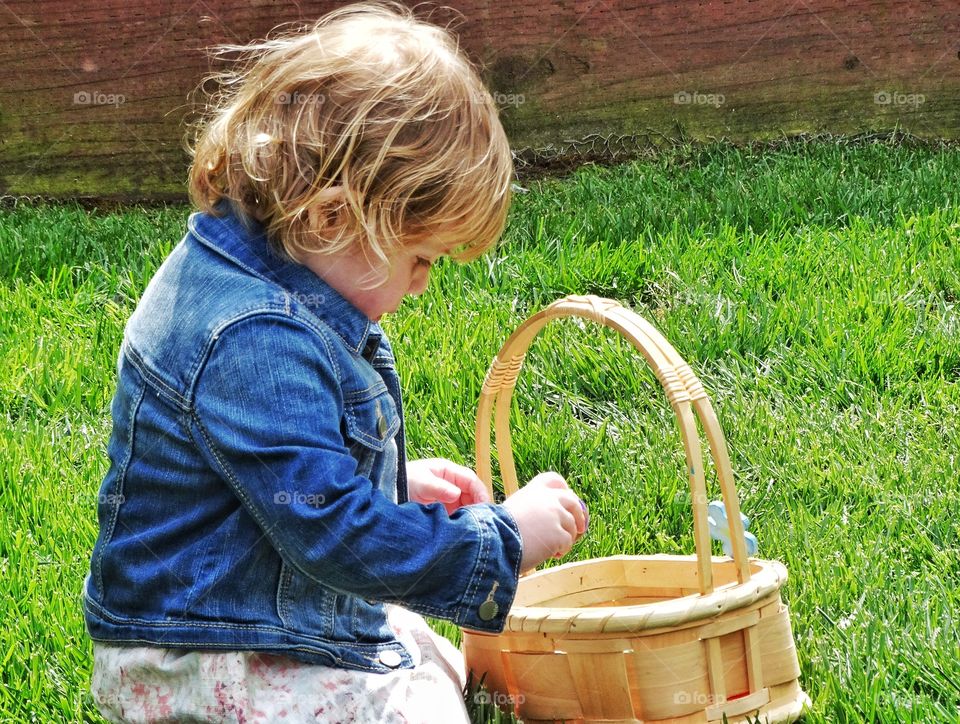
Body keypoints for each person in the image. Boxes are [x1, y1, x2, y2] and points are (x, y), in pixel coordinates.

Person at [82, 3, 588, 722]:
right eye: (420, 259)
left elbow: (270, 484)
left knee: (428, 651)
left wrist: (386, 483)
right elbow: (335, 537)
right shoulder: (254, 337)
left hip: (239, 614)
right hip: (201, 654)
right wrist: (501, 539)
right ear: (332, 217)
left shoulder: (267, 271)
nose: (421, 283)